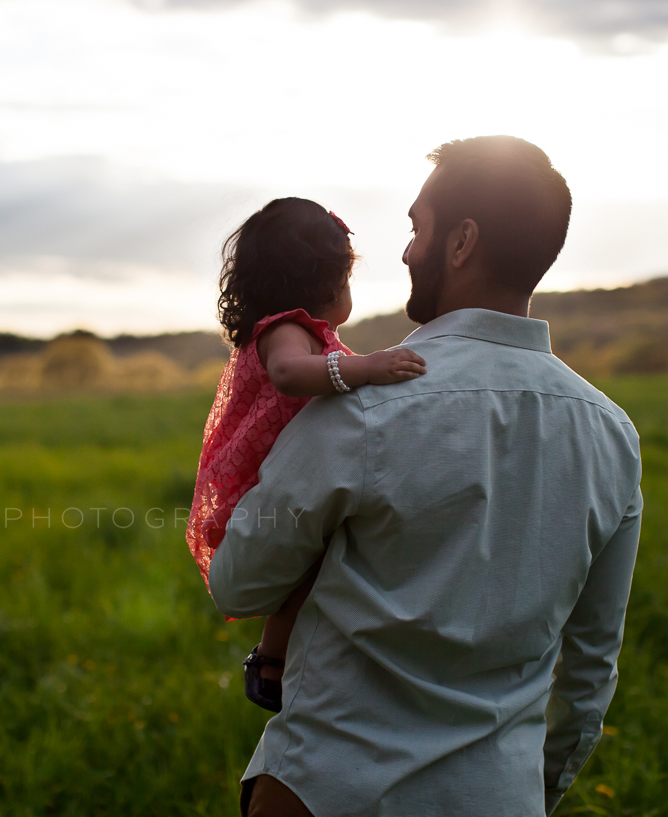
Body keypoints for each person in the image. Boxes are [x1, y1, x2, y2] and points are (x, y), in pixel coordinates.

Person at [209, 136, 643, 817]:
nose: (407, 251)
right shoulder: (611, 432)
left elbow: (238, 580)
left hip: (325, 791)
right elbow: (591, 668)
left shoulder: (358, 409)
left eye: (417, 228)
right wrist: (531, 791)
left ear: (461, 241)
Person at [187, 197, 429, 711]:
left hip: (300, 480)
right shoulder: (286, 332)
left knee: (321, 563)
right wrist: (366, 368)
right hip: (262, 483)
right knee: (320, 560)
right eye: (345, 279)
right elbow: (289, 375)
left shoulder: (307, 334)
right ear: (320, 283)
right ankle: (273, 659)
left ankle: (282, 657)